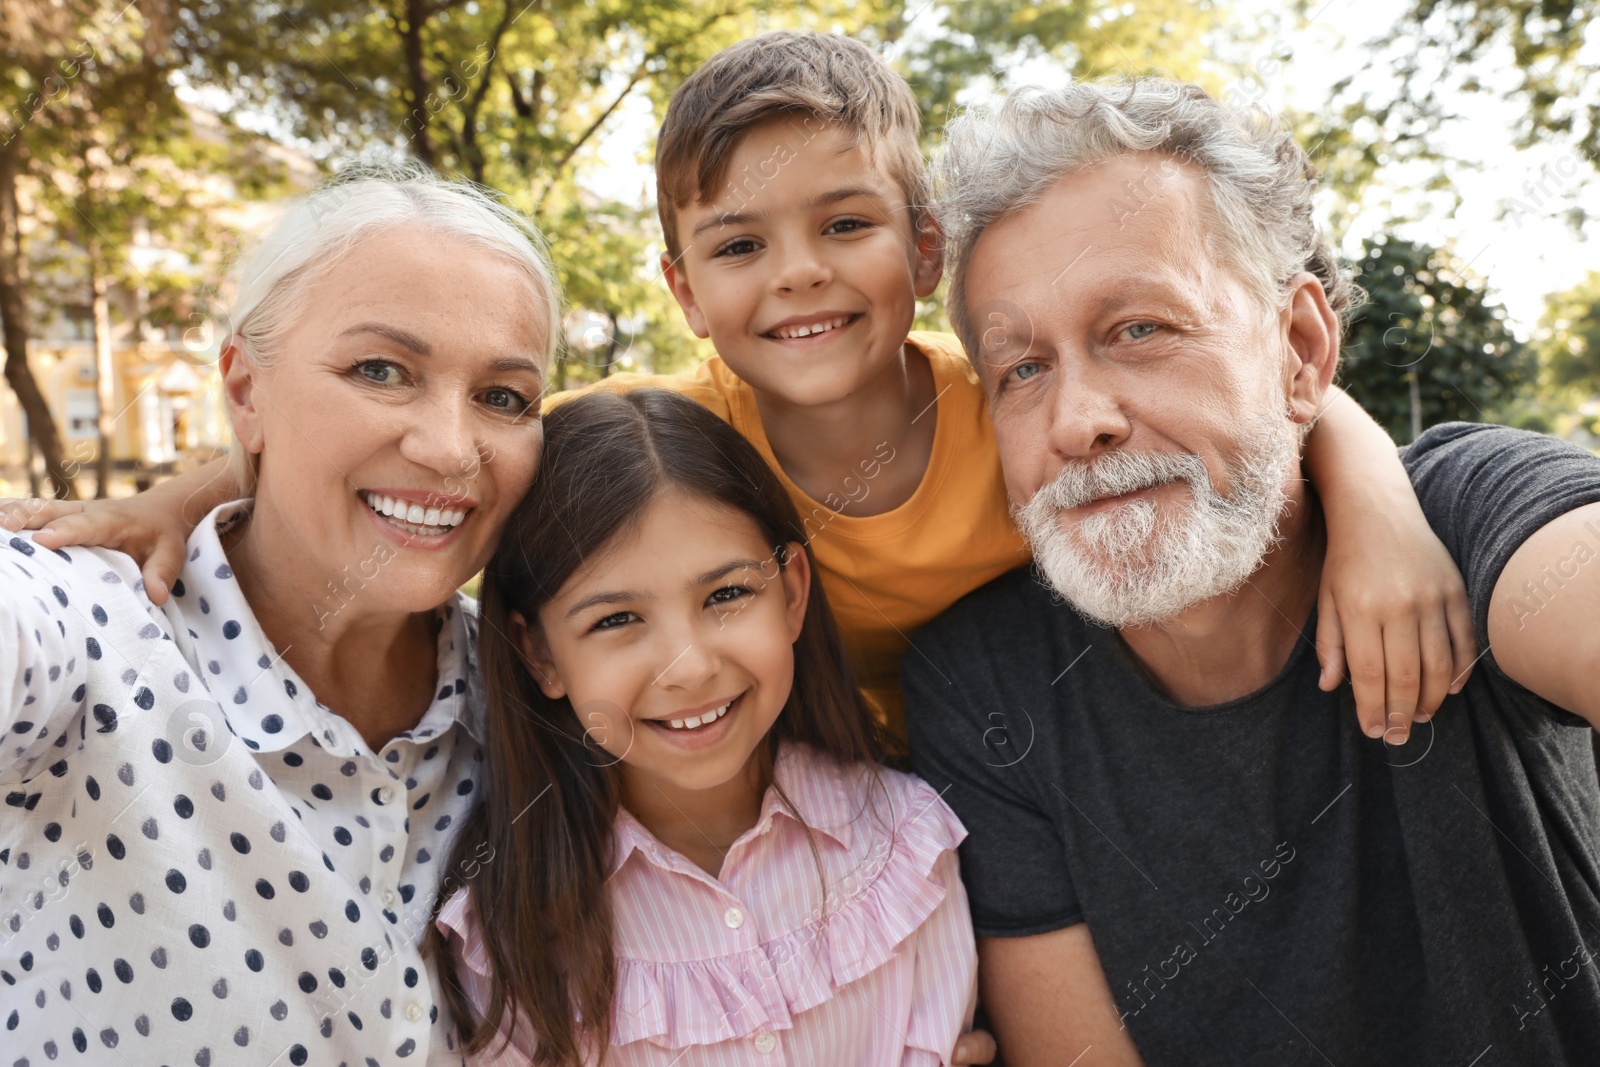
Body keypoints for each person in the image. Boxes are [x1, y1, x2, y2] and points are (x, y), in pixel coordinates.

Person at [8, 32, 1477, 757]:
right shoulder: (668, 433)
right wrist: (196, 483)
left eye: (845, 225)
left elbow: (1259, 394)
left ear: (923, 246)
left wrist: (1382, 498)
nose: (799, 280)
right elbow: (439, 449)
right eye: (738, 245)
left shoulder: (1018, 396)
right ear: (679, 284)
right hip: (780, 784)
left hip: (1021, 781)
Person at [905, 78, 1600, 1066]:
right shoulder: (985, 683)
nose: (1074, 422)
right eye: (1022, 368)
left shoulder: (1471, 513)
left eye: (1140, 329)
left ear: (1302, 347)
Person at [0, 164, 559, 1065]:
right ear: (246, 390)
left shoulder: (535, 689)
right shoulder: (85, 629)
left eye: (502, 397)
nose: (452, 448)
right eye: (382, 370)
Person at [428, 387, 977, 1066]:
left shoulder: (907, 842)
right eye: (616, 619)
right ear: (539, 653)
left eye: (726, 595)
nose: (688, 669)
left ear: (793, 593)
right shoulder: (508, 930)